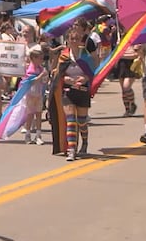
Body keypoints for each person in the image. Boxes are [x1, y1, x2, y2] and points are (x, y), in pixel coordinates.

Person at [49, 28, 95, 161]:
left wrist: (85, 79)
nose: (74, 41)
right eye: (71, 39)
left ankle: (84, 143)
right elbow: (57, 74)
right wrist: (65, 79)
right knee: (70, 120)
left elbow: (93, 72)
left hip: (82, 91)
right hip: (68, 91)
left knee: (82, 121)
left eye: (76, 39)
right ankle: (71, 150)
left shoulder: (85, 55)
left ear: (80, 40)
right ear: (68, 40)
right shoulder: (63, 56)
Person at [22, 45, 48, 145]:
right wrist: (42, 75)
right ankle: (28, 134)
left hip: (38, 94)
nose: (41, 60)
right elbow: (32, 81)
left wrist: (45, 77)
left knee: (38, 114)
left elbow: (43, 81)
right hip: (30, 94)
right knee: (30, 115)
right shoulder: (29, 69)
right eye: (40, 58)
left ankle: (38, 135)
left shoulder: (41, 68)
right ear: (33, 58)